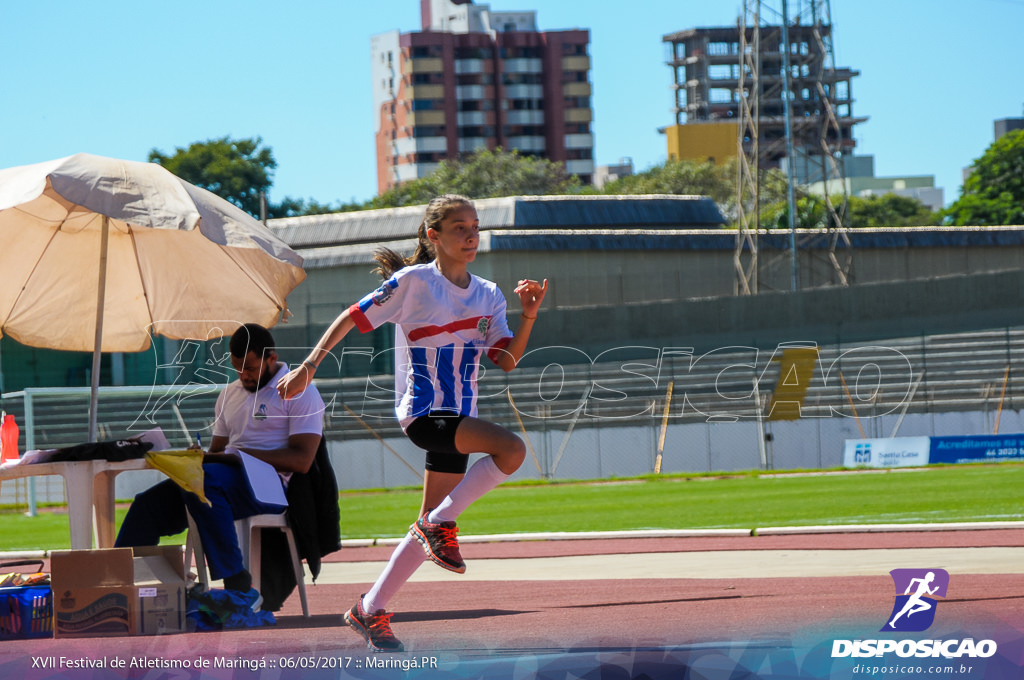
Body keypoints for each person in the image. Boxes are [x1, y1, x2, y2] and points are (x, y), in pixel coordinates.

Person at [277, 194, 547, 652]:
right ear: (433, 235)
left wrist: (529, 315)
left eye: (475, 226)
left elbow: (505, 360)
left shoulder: (488, 293)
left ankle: (370, 609)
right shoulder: (413, 283)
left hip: (459, 417)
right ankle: (438, 527)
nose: (470, 234)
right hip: (425, 413)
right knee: (512, 450)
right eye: (459, 226)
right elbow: (350, 317)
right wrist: (308, 366)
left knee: (429, 518)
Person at [116, 323, 325, 611]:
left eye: (250, 368)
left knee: (207, 482)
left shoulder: (300, 392)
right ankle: (121, 587)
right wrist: (199, 455)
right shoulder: (230, 394)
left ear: (271, 359)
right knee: (146, 505)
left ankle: (237, 583)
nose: (244, 375)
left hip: (272, 485)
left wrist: (240, 456)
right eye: (237, 368)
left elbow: (302, 461)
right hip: (222, 480)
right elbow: (217, 451)